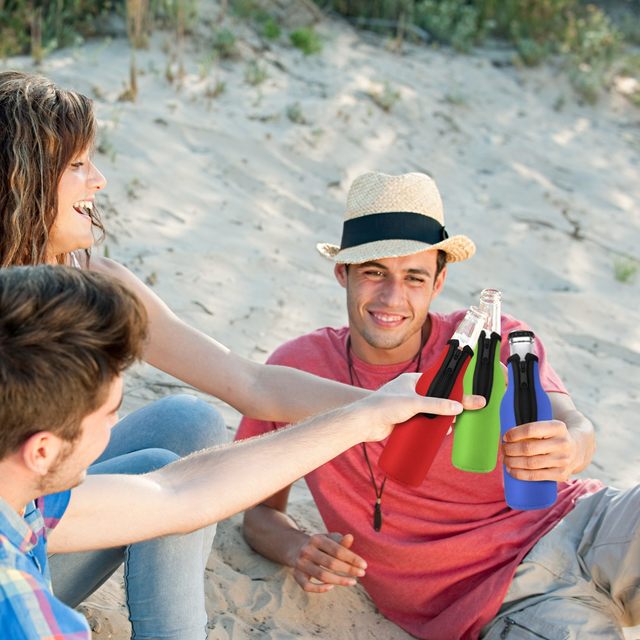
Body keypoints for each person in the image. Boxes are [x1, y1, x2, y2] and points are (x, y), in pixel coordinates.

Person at [0, 69, 372, 639]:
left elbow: (249, 383)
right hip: (13, 565)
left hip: (35, 513)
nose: (98, 181)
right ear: (22, 179)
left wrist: (388, 409)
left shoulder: (93, 282)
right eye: (76, 166)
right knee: (164, 482)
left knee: (190, 420)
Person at [237, 171, 640, 640]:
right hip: (503, 605)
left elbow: (575, 423)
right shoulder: (299, 371)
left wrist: (572, 446)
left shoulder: (497, 337)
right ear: (342, 273)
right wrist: (296, 546)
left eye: (413, 277)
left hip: (586, 525)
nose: (392, 297)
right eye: (374, 272)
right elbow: (258, 513)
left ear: (438, 281)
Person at [0, 264, 476, 639]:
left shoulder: (26, 503)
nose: (118, 428)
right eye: (109, 416)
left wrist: (364, 417)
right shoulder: (22, 610)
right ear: (41, 451)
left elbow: (179, 493)